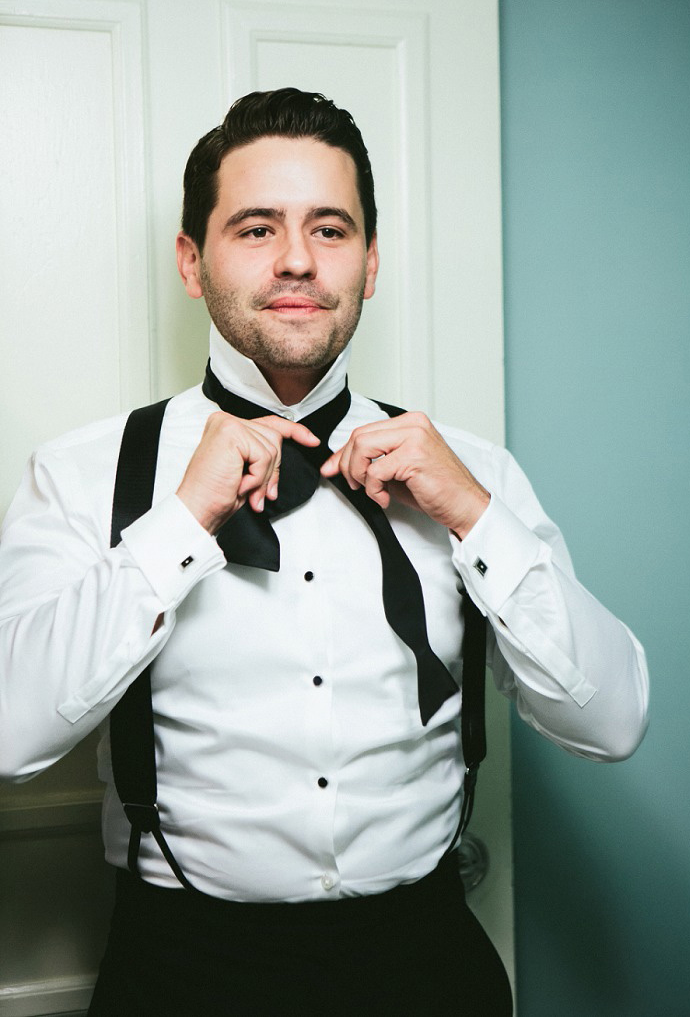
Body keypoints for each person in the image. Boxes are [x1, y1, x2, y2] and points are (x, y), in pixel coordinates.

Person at [0, 88, 648, 1016]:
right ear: (193, 259)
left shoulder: (479, 473)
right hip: (181, 971)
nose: (297, 260)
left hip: (429, 967)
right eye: (256, 228)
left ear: (371, 262)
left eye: (331, 229)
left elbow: (614, 722)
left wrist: (471, 514)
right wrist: (181, 521)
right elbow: (10, 734)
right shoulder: (82, 473)